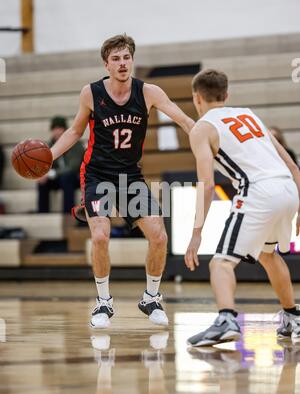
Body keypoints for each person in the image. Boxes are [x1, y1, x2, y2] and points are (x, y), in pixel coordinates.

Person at [50, 34, 195, 329]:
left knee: (159, 236)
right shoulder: (90, 93)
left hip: (130, 177)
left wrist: (201, 132)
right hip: (96, 174)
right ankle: (103, 302)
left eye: (126, 57)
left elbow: (183, 119)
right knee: (100, 235)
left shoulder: (149, 92)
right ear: (106, 64)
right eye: (115, 58)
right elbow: (75, 131)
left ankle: (151, 297)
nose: (122, 63)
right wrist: (49, 156)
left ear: (132, 60)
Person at [184, 69, 300, 346]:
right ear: (227, 95)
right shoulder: (250, 115)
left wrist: (196, 233)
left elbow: (207, 185)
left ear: (196, 97)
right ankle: (292, 316)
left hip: (258, 191)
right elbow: (293, 166)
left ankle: (226, 319)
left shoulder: (201, 128)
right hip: (287, 188)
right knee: (268, 255)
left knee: (221, 263)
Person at [38, 116, 84, 213]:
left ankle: (67, 213)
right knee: (42, 181)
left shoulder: (76, 144)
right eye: (54, 129)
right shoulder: (50, 145)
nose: (57, 131)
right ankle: (42, 212)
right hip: (60, 178)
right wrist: (43, 174)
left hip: (76, 178)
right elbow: (46, 165)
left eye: (60, 128)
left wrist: (52, 173)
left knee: (66, 178)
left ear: (65, 130)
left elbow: (73, 167)